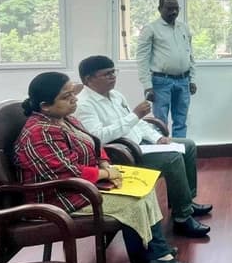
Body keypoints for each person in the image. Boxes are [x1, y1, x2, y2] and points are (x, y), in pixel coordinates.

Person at [14, 72, 190, 263]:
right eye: (66, 96)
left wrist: (105, 163)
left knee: (144, 185)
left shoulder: (66, 119)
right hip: (59, 196)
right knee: (133, 201)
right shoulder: (40, 132)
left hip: (82, 185)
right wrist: (105, 175)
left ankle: (155, 250)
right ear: (45, 105)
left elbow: (95, 144)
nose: (74, 99)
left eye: (73, 93)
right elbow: (66, 173)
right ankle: (149, 257)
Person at [75, 55, 212, 238]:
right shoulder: (84, 104)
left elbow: (138, 123)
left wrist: (158, 138)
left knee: (188, 145)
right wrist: (134, 115)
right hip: (120, 154)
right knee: (172, 158)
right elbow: (98, 138)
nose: (113, 77)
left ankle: (186, 201)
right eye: (107, 74)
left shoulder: (115, 95)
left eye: (114, 72)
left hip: (141, 144)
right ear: (88, 79)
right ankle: (182, 218)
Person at [137, 0, 196, 139]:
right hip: (161, 82)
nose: (173, 12)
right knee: (160, 122)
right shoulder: (151, 29)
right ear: (160, 9)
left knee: (181, 120)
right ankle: (163, 150)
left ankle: (180, 148)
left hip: (183, 80)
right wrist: (147, 86)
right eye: (169, 9)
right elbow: (142, 59)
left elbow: (190, 55)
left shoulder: (183, 28)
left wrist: (192, 79)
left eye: (176, 8)